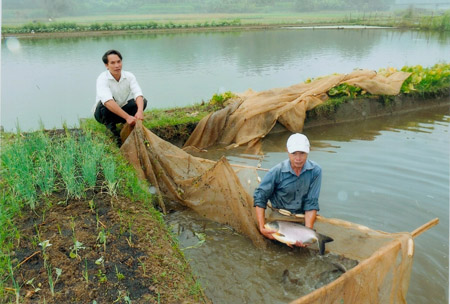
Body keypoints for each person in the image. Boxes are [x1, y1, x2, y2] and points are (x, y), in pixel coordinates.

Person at [253, 133, 322, 246]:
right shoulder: (276, 171)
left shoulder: (316, 171)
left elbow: (311, 202)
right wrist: (261, 228)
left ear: (308, 151)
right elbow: (260, 196)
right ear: (287, 151)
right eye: (294, 153)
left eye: (302, 153)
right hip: (278, 216)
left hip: (299, 217)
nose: (298, 158)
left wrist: (306, 234)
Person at [93, 49, 147, 145]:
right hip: (103, 113)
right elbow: (108, 101)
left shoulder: (129, 76)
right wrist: (127, 117)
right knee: (104, 105)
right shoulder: (102, 78)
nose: (117, 65)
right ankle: (113, 133)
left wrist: (140, 111)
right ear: (106, 65)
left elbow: (138, 93)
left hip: (120, 110)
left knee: (142, 101)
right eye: (112, 63)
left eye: (119, 62)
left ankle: (127, 122)